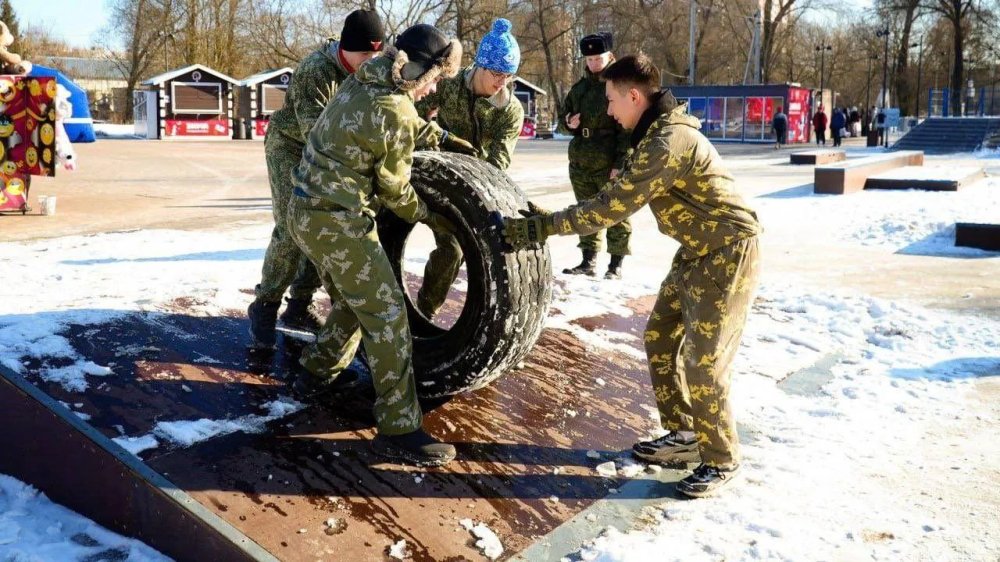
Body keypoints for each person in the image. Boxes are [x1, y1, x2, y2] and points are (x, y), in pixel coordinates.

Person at [501, 54, 761, 498]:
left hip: (726, 250)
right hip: (697, 250)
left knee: (704, 359)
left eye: (612, 99)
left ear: (635, 96)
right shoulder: (654, 133)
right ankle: (683, 436)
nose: (608, 110)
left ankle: (720, 457)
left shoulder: (668, 143)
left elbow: (611, 207)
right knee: (660, 337)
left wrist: (543, 227)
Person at [287, 23, 463, 466]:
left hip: (308, 211)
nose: (432, 89)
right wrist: (434, 218)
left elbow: (392, 126)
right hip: (336, 221)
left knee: (357, 297)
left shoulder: (364, 79)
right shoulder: (395, 108)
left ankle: (315, 372)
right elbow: (396, 191)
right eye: (435, 80)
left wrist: (443, 139)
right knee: (386, 312)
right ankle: (399, 426)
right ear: (418, 70)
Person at [247, 10, 385, 349]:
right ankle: (264, 306)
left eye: (376, 55)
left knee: (320, 227)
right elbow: (316, 135)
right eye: (364, 55)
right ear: (345, 48)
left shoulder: (368, 71)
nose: (370, 62)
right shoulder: (316, 71)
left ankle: (298, 305)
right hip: (292, 146)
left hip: (334, 150)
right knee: (293, 226)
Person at [412, 18, 524, 319]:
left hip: (476, 186)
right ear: (480, 65)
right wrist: (428, 144)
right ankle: (397, 310)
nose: (502, 82)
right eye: (497, 74)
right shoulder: (448, 84)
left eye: (509, 76)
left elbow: (498, 164)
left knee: (456, 251)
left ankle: (425, 311)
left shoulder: (510, 110)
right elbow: (412, 114)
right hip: (436, 171)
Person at [557, 32, 630, 279]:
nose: (593, 64)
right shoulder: (580, 89)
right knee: (585, 210)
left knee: (615, 210)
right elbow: (562, 119)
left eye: (598, 59)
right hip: (581, 161)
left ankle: (616, 264)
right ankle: (588, 260)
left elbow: (627, 130)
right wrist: (569, 122)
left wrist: (620, 163)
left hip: (609, 159)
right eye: (589, 60)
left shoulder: (619, 87)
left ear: (610, 56)